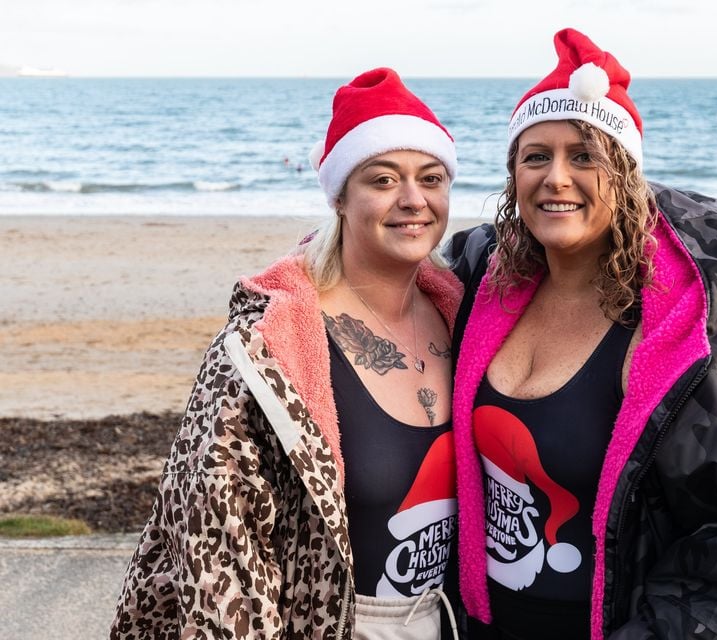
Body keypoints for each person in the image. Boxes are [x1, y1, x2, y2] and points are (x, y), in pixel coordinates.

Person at [445, 29, 717, 639]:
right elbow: (372, 290)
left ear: (626, 177)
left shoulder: (679, 338)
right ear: (513, 176)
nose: (556, 178)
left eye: (584, 156)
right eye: (535, 156)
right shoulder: (481, 287)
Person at [111, 68, 464, 640]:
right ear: (340, 197)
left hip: (449, 619)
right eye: (382, 179)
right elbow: (215, 551)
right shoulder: (263, 349)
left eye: (431, 178)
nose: (413, 200)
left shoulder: (462, 316)